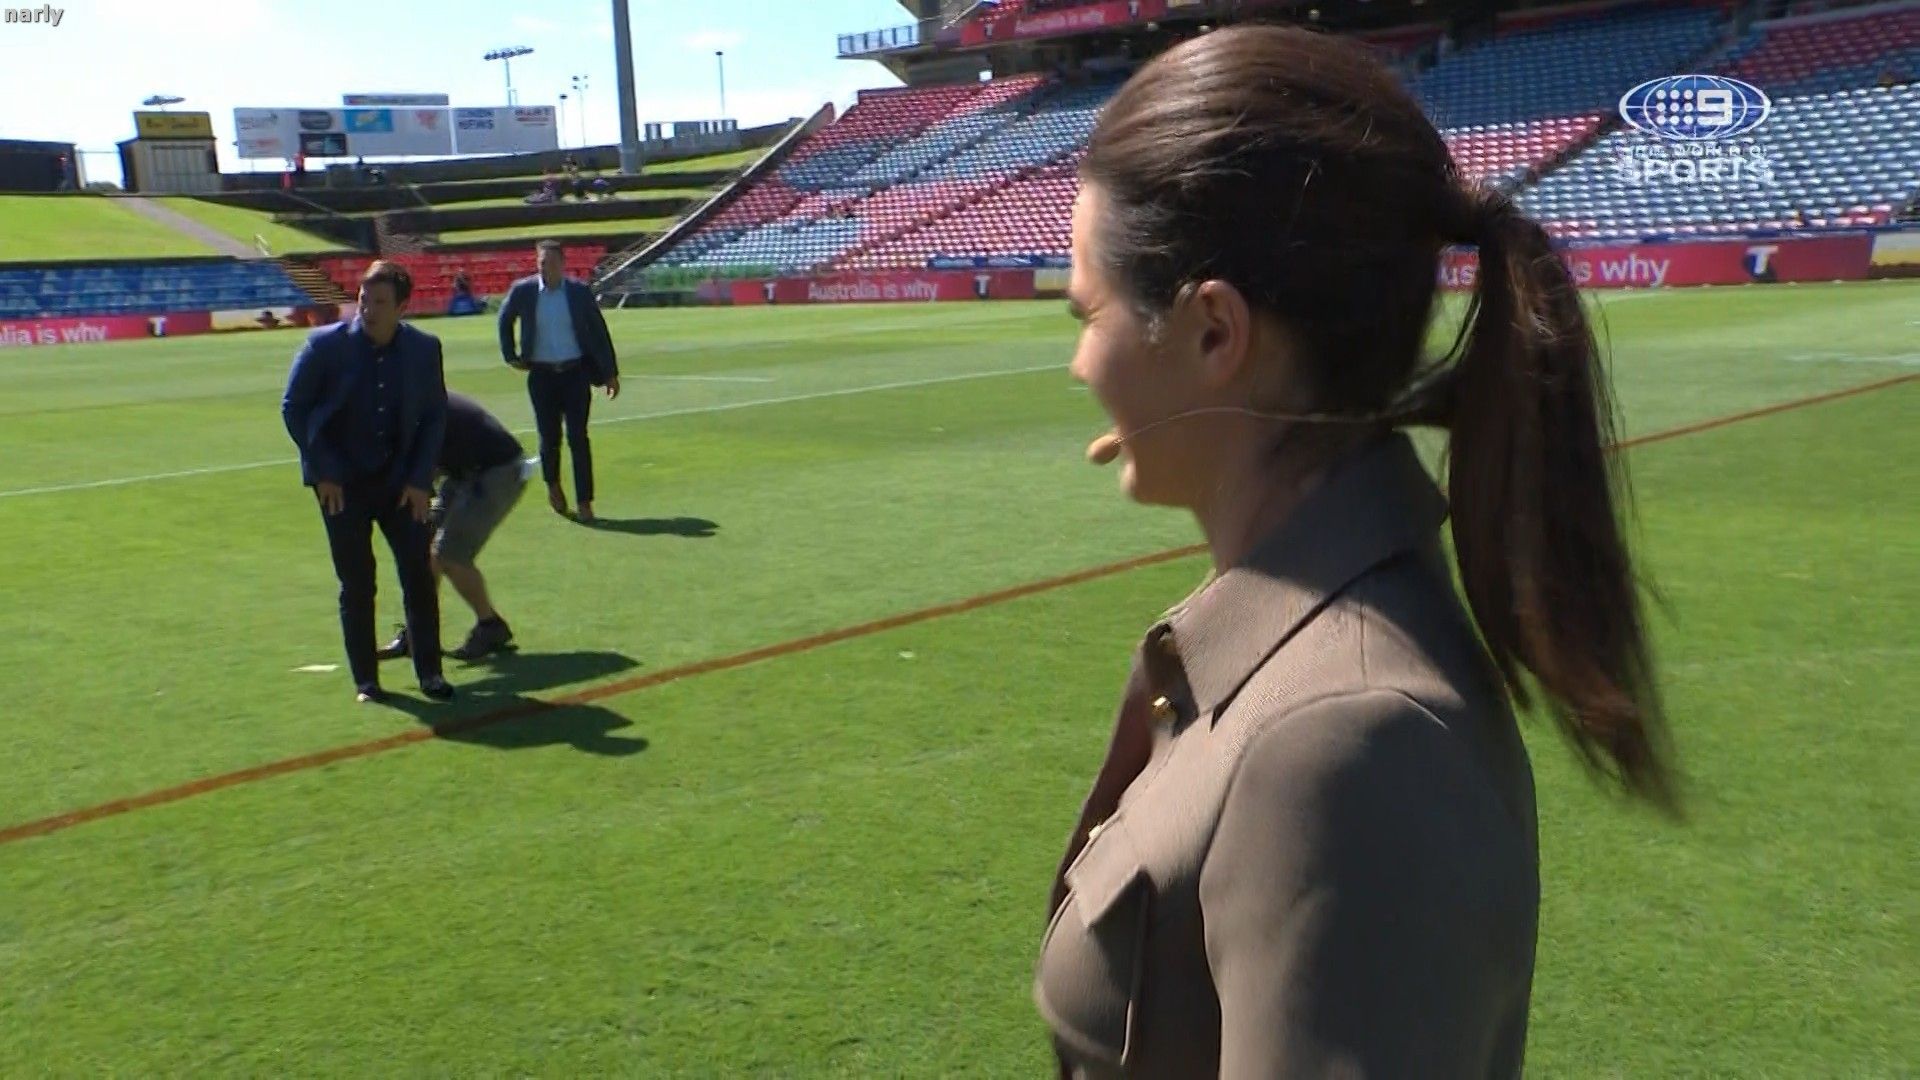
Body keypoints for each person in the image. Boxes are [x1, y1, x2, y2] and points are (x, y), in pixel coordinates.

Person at [1034, 25, 1680, 1078]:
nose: (1078, 363)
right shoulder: (1290, 670)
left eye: (1088, 313)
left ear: (1213, 332)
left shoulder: (1343, 742)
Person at [281, 260, 454, 705]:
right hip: (341, 486)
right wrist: (323, 471)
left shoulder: (424, 349)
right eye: (363, 300)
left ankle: (430, 673)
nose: (368, 310)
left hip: (401, 483)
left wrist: (420, 479)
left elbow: (435, 416)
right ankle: (366, 681)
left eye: (379, 303)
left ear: (402, 307)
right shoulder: (325, 347)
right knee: (357, 583)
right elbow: (294, 408)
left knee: (418, 577)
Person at [377, 390, 527, 664]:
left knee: (450, 555)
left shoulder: (414, 407)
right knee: (425, 551)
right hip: (463, 473)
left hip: (496, 472)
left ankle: (490, 625)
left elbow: (424, 465)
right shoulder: (407, 402)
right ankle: (418, 631)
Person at [497, 239, 621, 523]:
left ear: (563, 264)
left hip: (575, 373)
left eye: (552, 263)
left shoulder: (578, 292)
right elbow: (505, 320)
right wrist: (511, 354)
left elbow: (599, 331)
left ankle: (585, 501)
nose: (546, 268)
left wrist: (610, 373)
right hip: (542, 376)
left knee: (578, 437)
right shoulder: (524, 291)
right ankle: (553, 485)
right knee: (549, 437)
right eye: (542, 263)